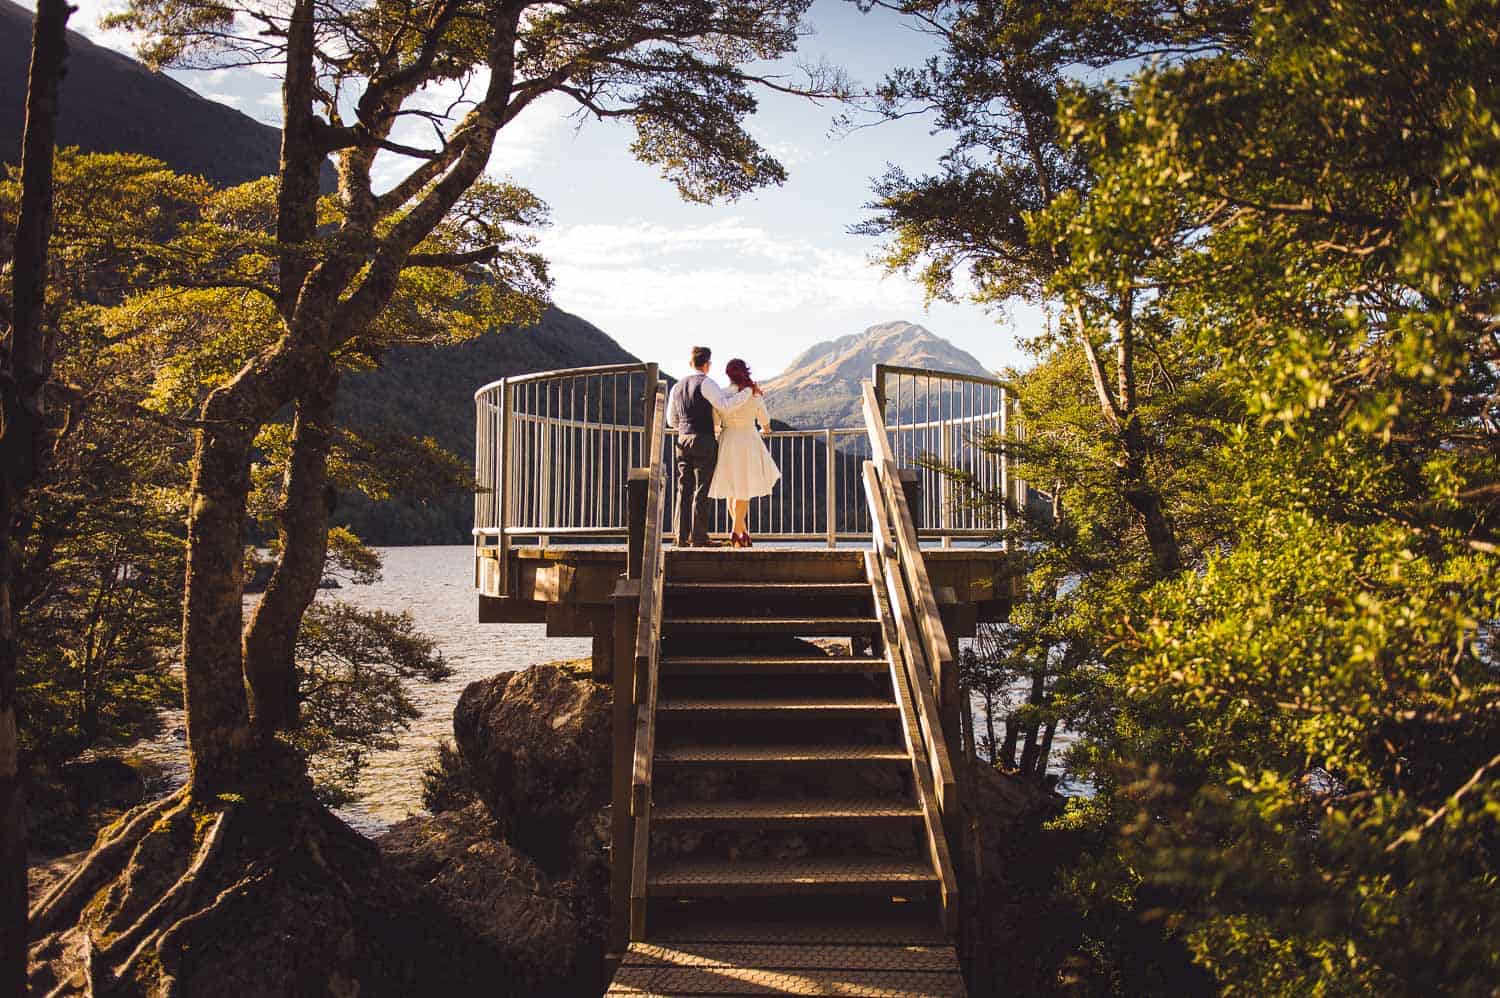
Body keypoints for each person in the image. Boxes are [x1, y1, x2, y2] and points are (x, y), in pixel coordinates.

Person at [665, 346, 757, 547]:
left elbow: (671, 420)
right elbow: (724, 406)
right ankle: (699, 537)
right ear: (707, 365)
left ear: (691, 363)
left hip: (682, 440)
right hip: (703, 439)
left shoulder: (677, 387)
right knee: (701, 489)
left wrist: (685, 426)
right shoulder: (707, 383)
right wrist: (747, 393)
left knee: (683, 488)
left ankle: (680, 538)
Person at [708, 358, 780, 547]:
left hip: (728, 439)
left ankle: (742, 532)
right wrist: (765, 429)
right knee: (744, 489)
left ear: (728, 374)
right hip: (748, 439)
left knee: (733, 489)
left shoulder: (722, 395)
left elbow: (715, 422)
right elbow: (765, 419)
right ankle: (736, 531)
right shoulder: (753, 394)